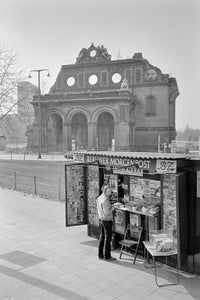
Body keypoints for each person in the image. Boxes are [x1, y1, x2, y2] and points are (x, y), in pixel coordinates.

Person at [96, 185, 116, 261]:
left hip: (101, 219)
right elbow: (107, 212)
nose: (110, 193)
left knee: (102, 236)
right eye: (108, 191)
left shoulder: (99, 198)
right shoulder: (105, 200)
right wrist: (113, 207)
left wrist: (110, 206)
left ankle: (100, 255)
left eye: (110, 191)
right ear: (104, 191)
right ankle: (107, 256)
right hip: (107, 220)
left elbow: (102, 208)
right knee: (108, 238)